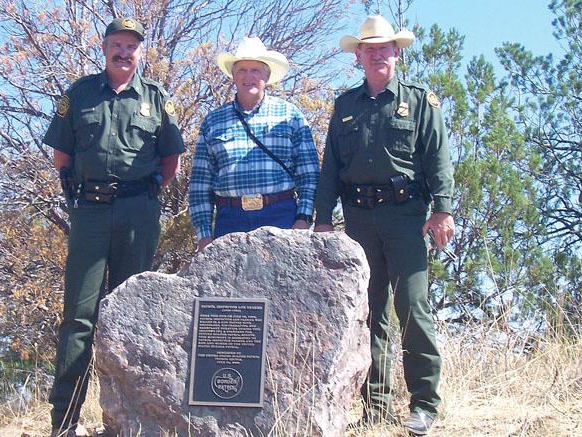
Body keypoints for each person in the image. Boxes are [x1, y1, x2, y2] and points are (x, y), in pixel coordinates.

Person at [42, 17, 185, 436]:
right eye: (117, 45)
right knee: (79, 317)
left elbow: (171, 161)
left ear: (141, 53)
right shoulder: (79, 93)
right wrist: (78, 199)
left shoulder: (157, 99)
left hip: (137, 214)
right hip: (90, 213)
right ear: (104, 48)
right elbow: (61, 155)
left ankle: (133, 421)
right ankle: (63, 422)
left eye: (132, 47)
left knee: (135, 315)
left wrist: (148, 193)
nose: (124, 53)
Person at [313, 16, 455, 436]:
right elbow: (330, 169)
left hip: (405, 216)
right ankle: (374, 406)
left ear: (397, 52)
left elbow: (438, 160)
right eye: (369, 48)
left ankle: (424, 404)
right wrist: (322, 221)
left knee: (411, 307)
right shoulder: (345, 106)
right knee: (368, 312)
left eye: (385, 47)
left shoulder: (420, 102)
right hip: (357, 220)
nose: (377, 54)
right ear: (358, 55)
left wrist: (443, 210)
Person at [189, 37, 319, 250]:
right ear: (233, 76)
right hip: (230, 219)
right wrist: (204, 234)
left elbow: (309, 173)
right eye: (242, 70)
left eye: (255, 70)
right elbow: (200, 184)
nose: (248, 77)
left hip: (281, 215)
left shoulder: (290, 116)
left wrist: (303, 218)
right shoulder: (213, 121)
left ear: (267, 76)